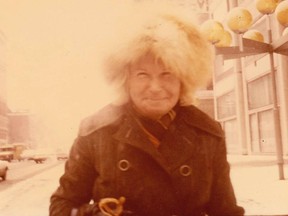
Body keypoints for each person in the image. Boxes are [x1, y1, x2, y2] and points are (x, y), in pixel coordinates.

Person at [49, 8, 245, 216]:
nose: (155, 87)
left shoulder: (208, 133)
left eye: (167, 74)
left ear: (184, 79)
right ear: (125, 79)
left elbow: (226, 211)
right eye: (143, 75)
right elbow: (61, 206)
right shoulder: (95, 133)